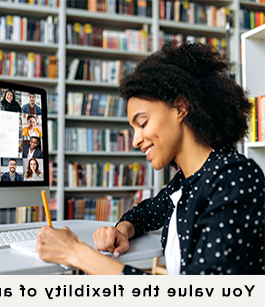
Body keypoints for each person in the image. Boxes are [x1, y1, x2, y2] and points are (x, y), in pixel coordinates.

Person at [36, 41, 265, 275]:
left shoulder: (233, 178)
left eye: (142, 123)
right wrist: (123, 230)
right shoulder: (186, 182)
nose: (135, 141)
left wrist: (77, 253)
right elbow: (143, 214)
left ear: (180, 107)